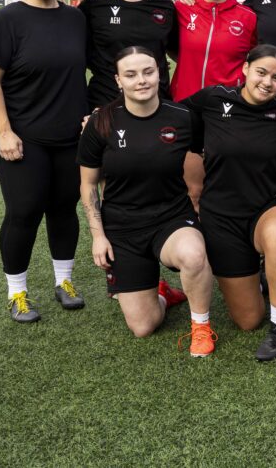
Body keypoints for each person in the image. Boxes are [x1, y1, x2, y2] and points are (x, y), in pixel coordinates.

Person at [78, 47, 216, 356]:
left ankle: (201, 326)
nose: (141, 80)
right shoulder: (100, 122)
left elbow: (211, 154)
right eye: (131, 74)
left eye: (148, 72)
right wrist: (98, 236)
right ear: (118, 80)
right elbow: (88, 185)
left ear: (159, 73)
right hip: (123, 229)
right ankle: (163, 294)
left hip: (171, 219)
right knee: (143, 326)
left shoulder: (183, 118)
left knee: (193, 255)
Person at [0, 0, 87, 322]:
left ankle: (64, 281)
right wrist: (5, 132)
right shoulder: (7, 20)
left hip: (70, 135)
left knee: (63, 208)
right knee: (23, 211)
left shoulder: (75, 19)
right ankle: (18, 292)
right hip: (23, 136)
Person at [183, 45, 276, 361]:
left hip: (268, 203)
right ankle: (267, 276)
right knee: (248, 320)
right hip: (221, 216)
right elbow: (164, 118)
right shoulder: (212, 100)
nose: (268, 82)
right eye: (261, 72)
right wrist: (106, 115)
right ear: (246, 69)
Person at [171, 0, 258, 209]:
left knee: (228, 188)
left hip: (227, 113)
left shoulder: (247, 17)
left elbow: (254, 60)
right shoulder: (181, 9)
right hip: (184, 108)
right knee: (192, 190)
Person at [80, 0, 178, 108]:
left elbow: (176, 52)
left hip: (156, 106)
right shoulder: (93, 6)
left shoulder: (165, 5)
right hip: (106, 107)